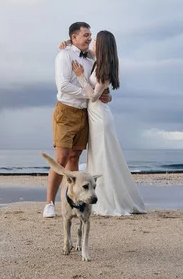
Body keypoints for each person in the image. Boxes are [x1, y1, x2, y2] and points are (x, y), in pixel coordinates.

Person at [60, 30, 146, 216]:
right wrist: (68, 42)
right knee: (99, 156)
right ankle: (100, 196)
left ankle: (107, 200)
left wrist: (81, 75)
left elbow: (93, 96)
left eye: (96, 41)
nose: (92, 43)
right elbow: (84, 51)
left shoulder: (103, 68)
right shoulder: (99, 60)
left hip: (99, 117)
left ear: (102, 45)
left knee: (102, 157)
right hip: (97, 115)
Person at [43, 22, 111, 218]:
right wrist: (89, 95)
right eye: (86, 35)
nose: (90, 38)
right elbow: (63, 86)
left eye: (91, 35)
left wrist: (103, 96)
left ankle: (71, 199)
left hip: (85, 113)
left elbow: (100, 85)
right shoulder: (64, 55)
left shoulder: (92, 58)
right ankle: (49, 203)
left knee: (75, 158)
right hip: (66, 111)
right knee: (61, 159)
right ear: (74, 38)